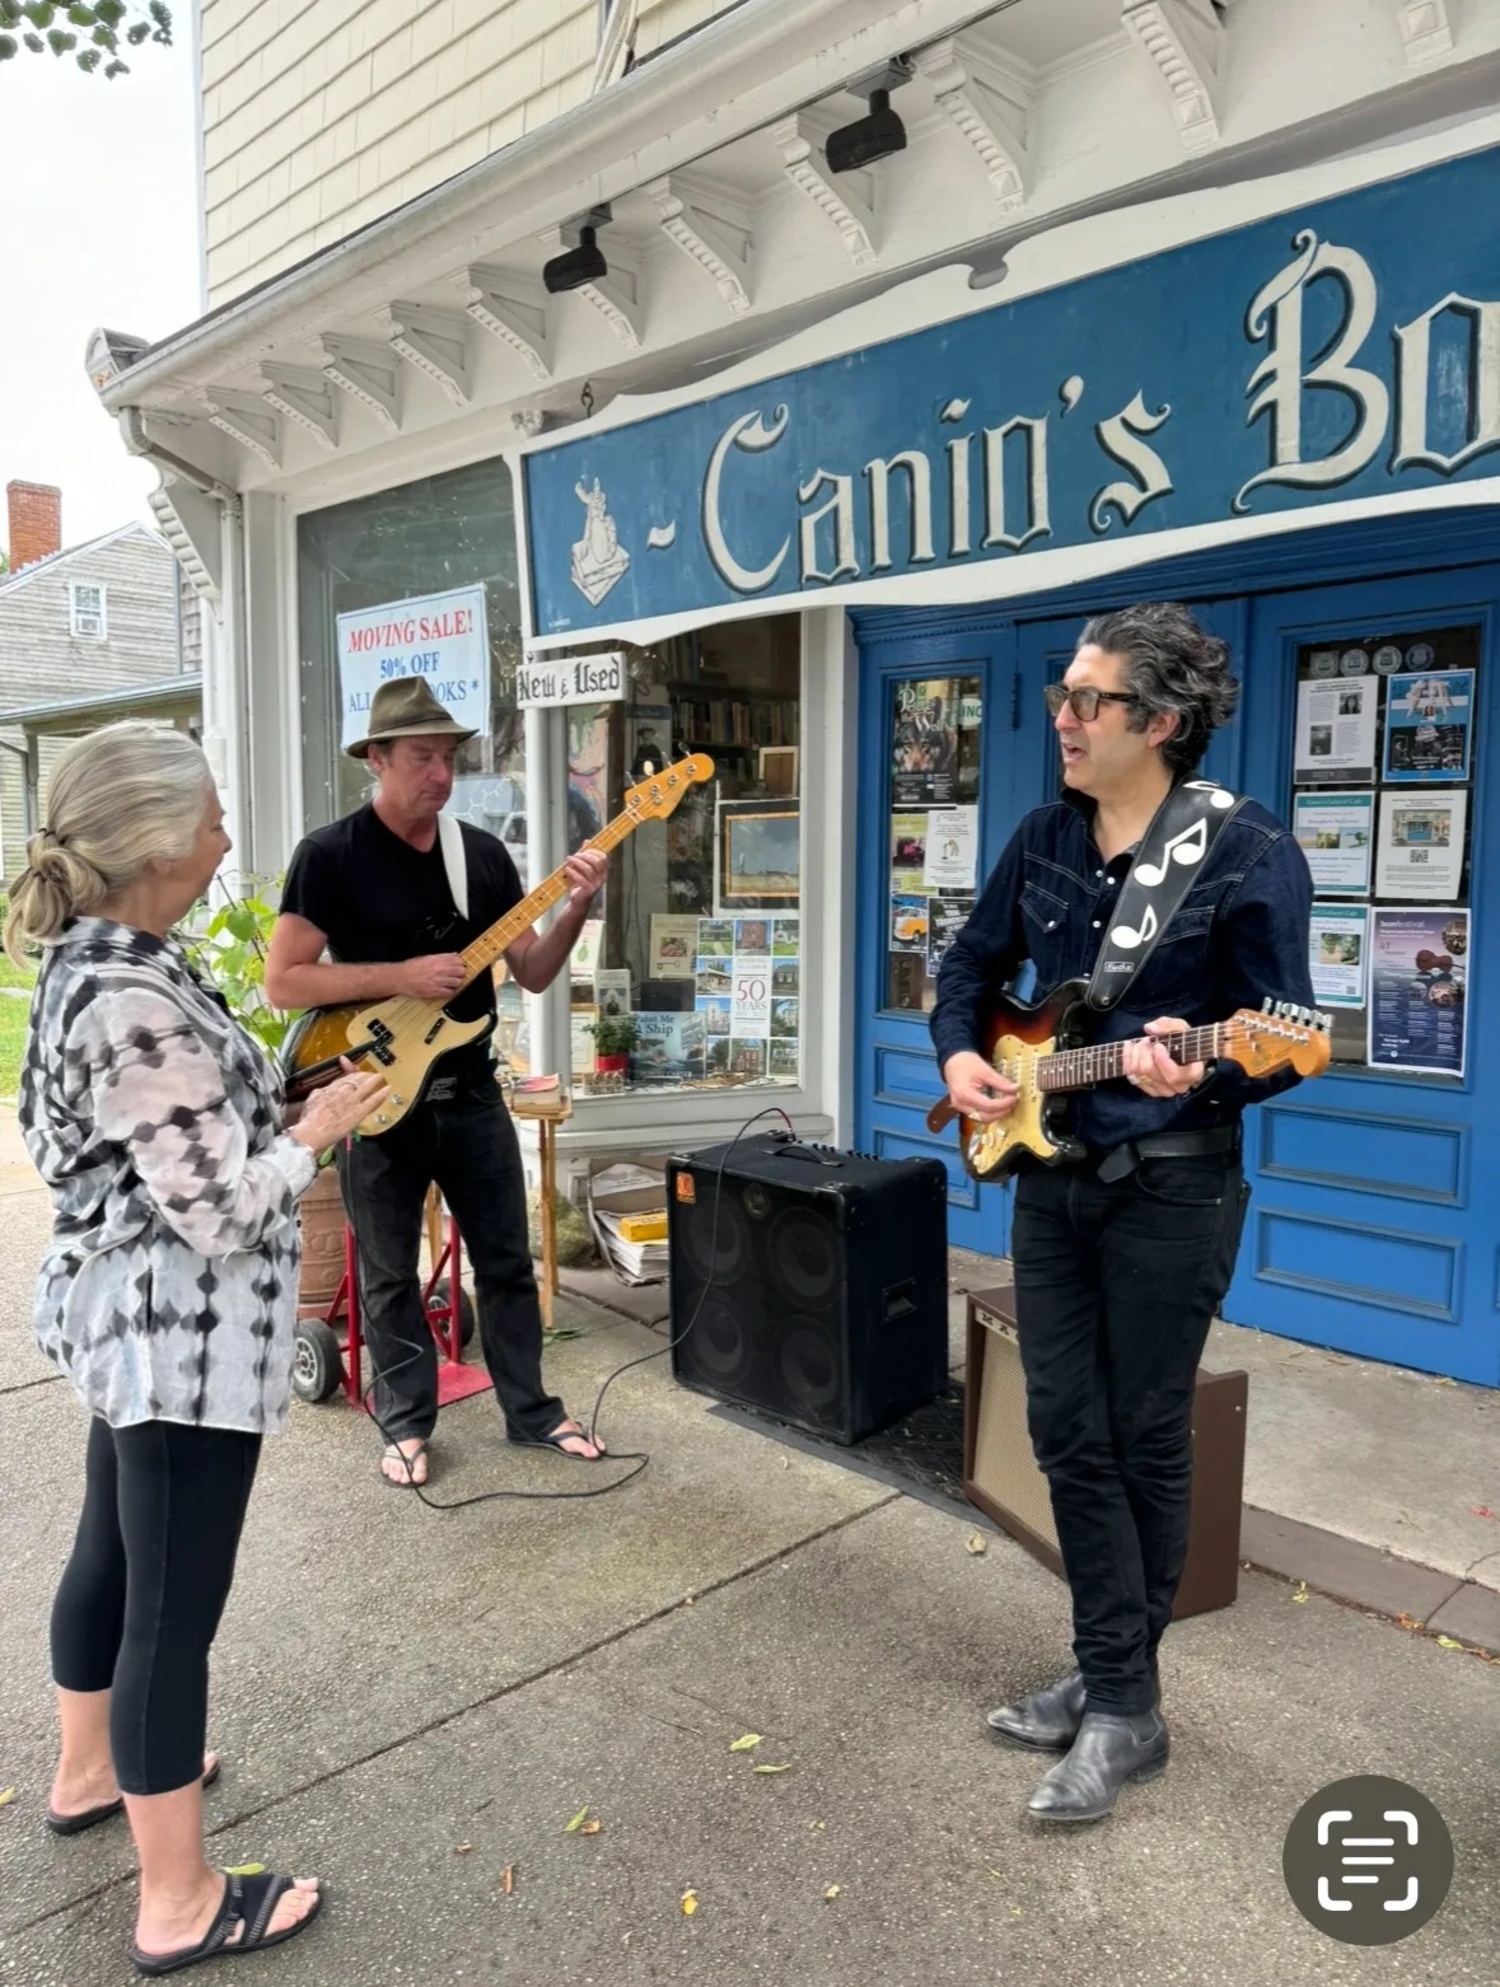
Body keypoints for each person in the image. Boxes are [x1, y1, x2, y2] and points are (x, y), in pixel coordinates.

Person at [10, 721, 387, 1975]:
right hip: (180, 1340)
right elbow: (221, 1206)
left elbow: (165, 1138)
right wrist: (321, 1122)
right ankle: (176, 1899)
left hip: (135, 1330)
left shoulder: (110, 960)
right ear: (163, 841)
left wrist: (268, 1107)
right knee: (171, 1615)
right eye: (215, 816)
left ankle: (90, 1768)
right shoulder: (128, 991)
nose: (230, 835)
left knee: (112, 1556)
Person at [932, 602, 1315, 1825]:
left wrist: (1199, 1062)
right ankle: (1119, 1683)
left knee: (1143, 1431)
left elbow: (1290, 1037)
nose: (1062, 717)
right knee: (1060, 1429)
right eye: (1063, 695)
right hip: (1046, 1173)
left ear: (1160, 721)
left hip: (1175, 1186)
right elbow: (965, 973)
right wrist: (961, 1059)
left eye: (1087, 701)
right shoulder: (1044, 833)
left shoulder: (1251, 853)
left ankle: (1117, 1701)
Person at [265, 678, 609, 1488]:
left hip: (473, 1093)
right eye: (422, 756)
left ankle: (532, 1411)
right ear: (377, 758)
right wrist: (402, 975)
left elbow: (528, 969)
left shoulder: (480, 856)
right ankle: (407, 1423)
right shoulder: (330, 856)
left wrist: (574, 909)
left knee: (506, 1259)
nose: (441, 773)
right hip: (377, 1095)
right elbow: (285, 981)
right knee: (387, 1271)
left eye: (449, 756)